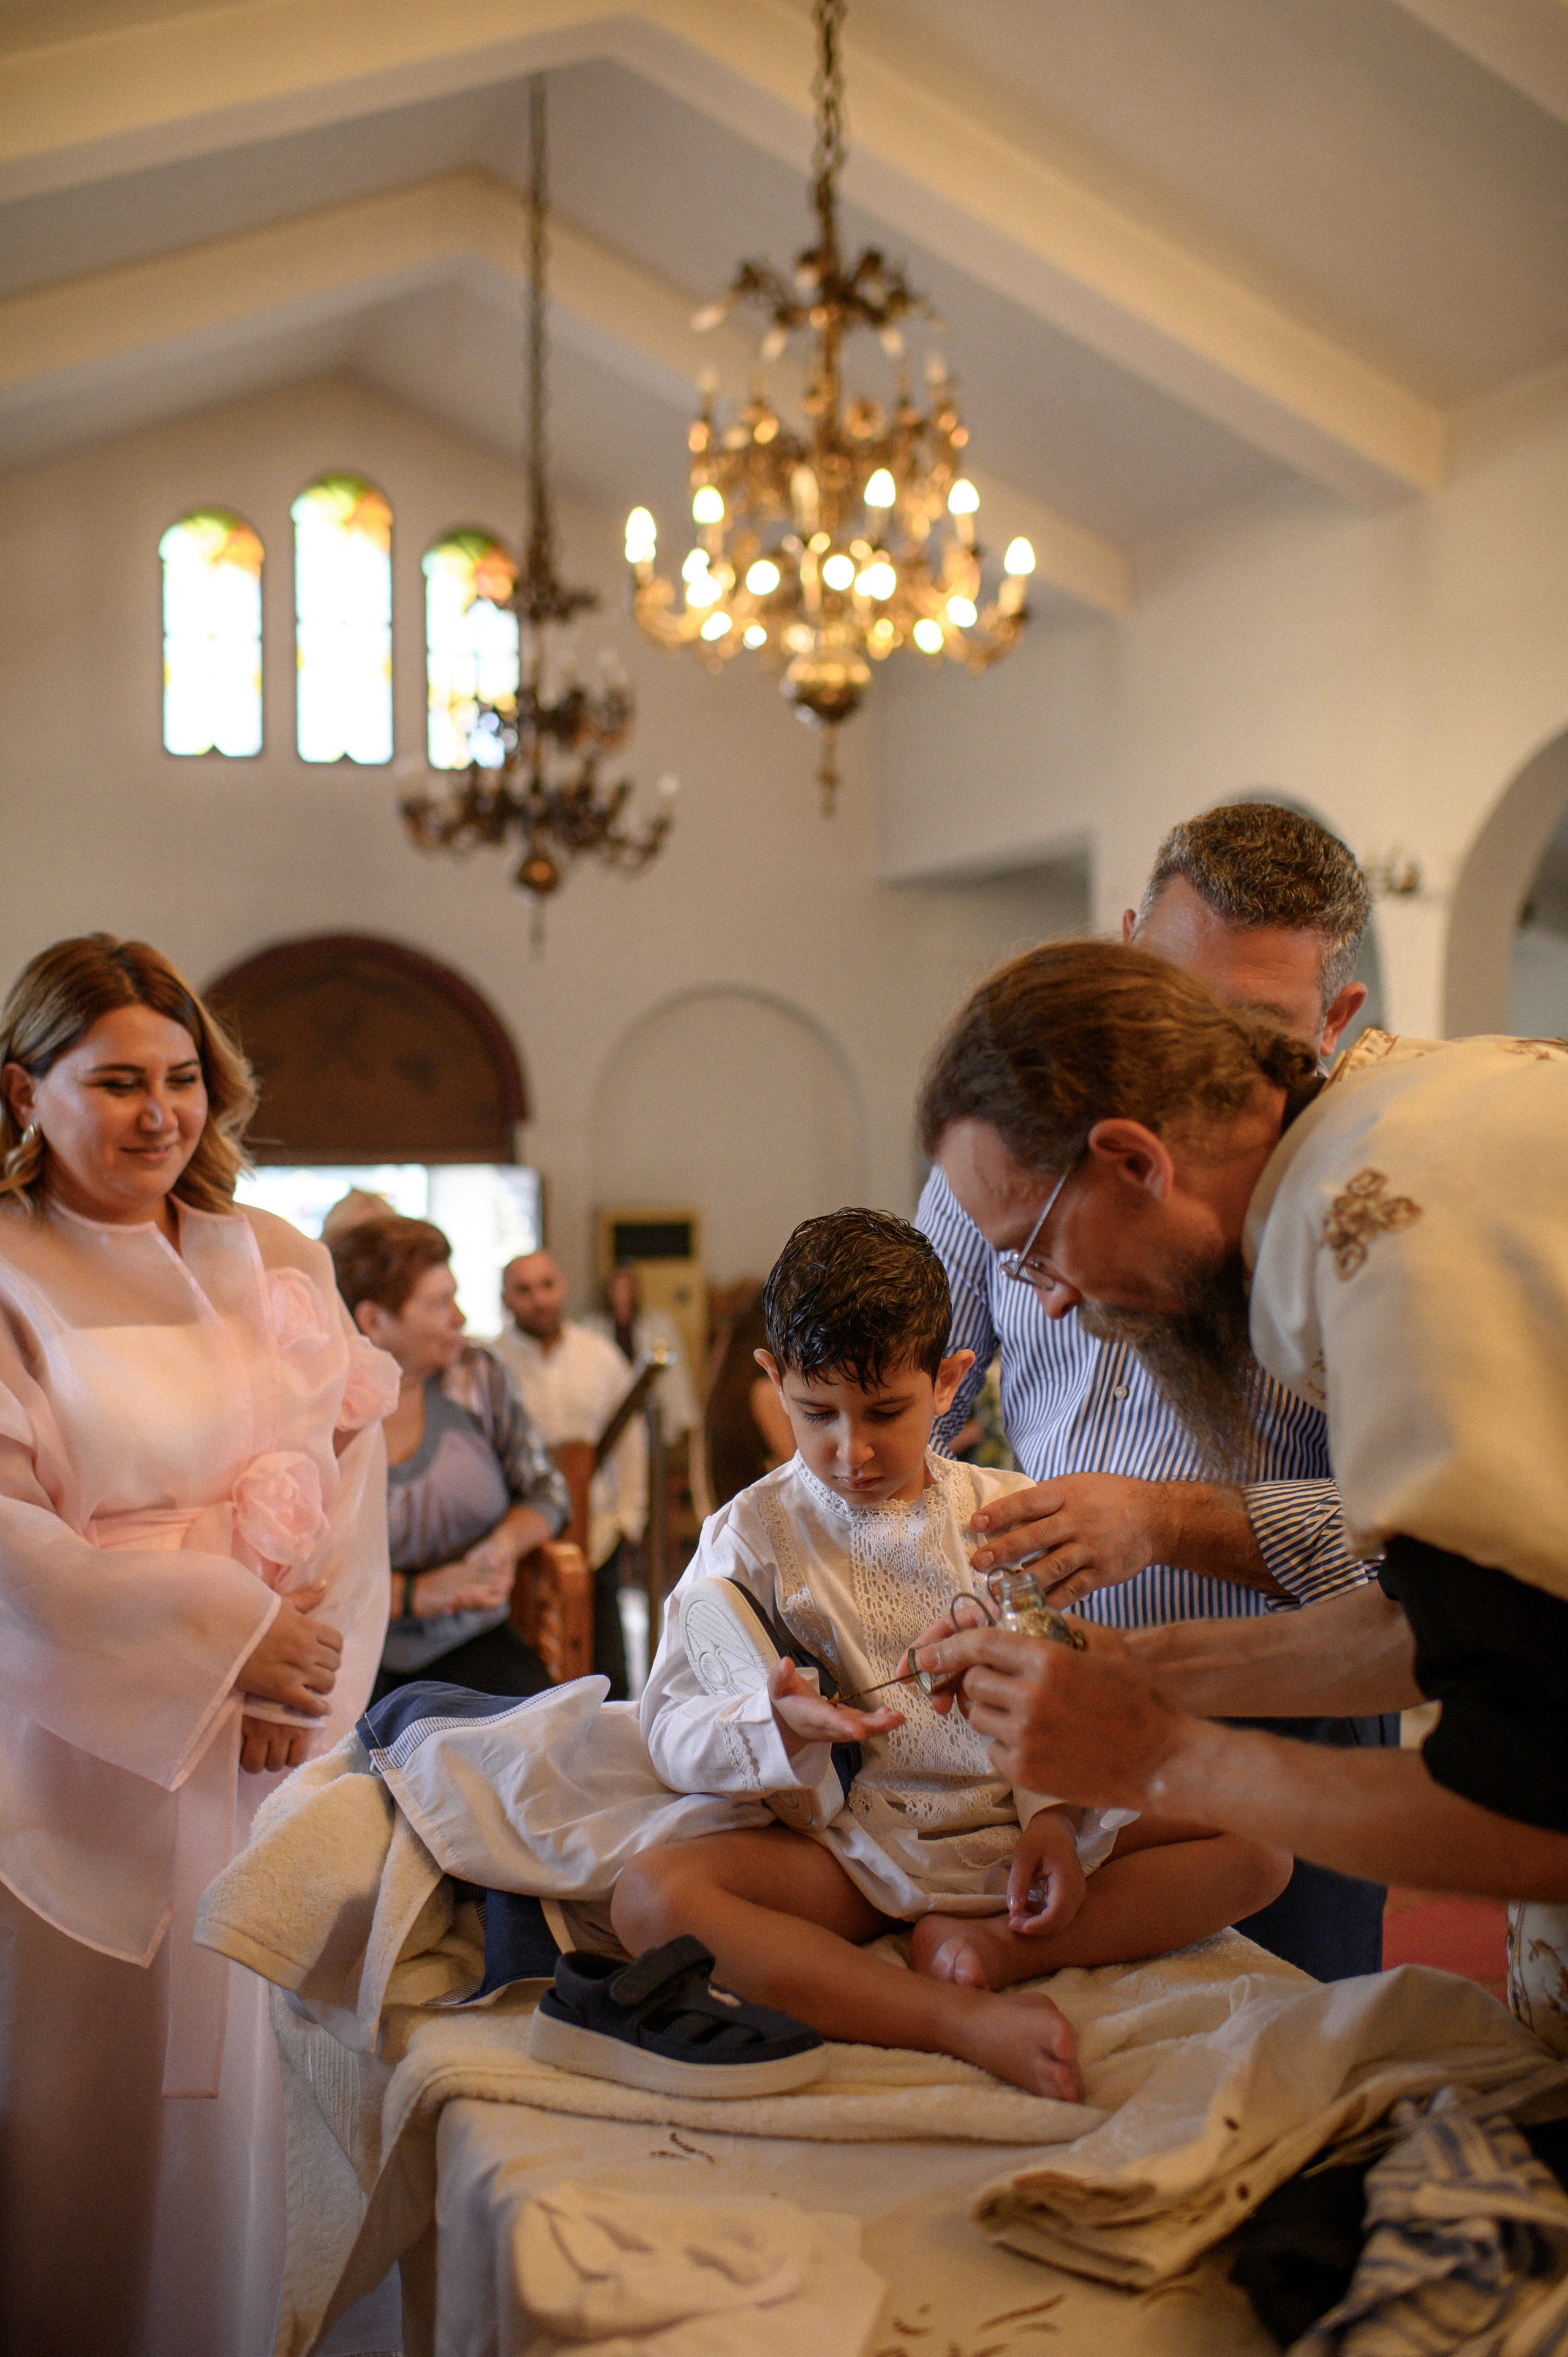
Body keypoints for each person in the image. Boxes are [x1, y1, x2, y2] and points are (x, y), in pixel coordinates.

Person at [910, 939, 1568, 2037]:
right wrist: (1137, 1669)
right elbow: (1446, 1628)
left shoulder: (1376, 1235)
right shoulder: (1396, 1111)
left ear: (1134, 1159)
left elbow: (1533, 1798)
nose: (1056, 1304)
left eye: (1035, 1253)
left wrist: (1160, 1756)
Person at [612, 1211, 1291, 2102]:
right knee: (653, 1897)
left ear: (948, 1381)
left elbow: (1062, 1692)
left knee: (1265, 1838)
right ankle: (954, 2019)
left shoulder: (1008, 1512)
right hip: (854, 1849)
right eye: (816, 1414)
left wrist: (1054, 1819)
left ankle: (989, 1950)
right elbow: (669, 1730)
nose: (850, 1452)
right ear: (772, 1379)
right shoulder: (747, 1535)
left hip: (1012, 1833)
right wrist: (770, 1725)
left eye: (884, 1413)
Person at [0, 933, 394, 2357]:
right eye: (115, 1081)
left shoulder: (269, 1255)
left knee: (251, 2097)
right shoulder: (7, 1270)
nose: (160, 1113)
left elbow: (349, 1477)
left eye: (181, 1077)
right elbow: (12, 1539)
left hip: (264, 1744)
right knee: (73, 2106)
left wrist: (304, 1671)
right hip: (74, 1753)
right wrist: (223, 1643)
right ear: (23, 1088)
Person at [918, 801, 1393, 1981]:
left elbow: (1420, 1579)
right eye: (1175, 1007)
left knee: (1293, 2057)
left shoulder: (1365, 1218)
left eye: (1250, 1030)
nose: (1198, 1069)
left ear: (1333, 1023)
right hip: (1063, 1690)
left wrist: (1164, 1518)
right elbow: (899, 1402)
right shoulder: (1014, 1142)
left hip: (1310, 1695)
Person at [331, 1214, 571, 1700]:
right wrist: (419, 1594)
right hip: (354, 1654)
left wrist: (499, 1548)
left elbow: (547, 1491)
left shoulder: (479, 1376)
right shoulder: (322, 1407)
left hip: (474, 1639)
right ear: (373, 1319)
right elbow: (305, 1572)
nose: (459, 1317)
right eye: (440, 1303)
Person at [494, 1249, 646, 1696]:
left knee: (607, 1659)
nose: (539, 1300)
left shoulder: (599, 1357)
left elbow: (631, 1443)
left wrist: (627, 1518)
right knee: (527, 1659)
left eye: (547, 1285)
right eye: (524, 1290)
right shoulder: (491, 1364)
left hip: (597, 1532)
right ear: (506, 1298)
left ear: (562, 1287)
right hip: (521, 1536)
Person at [589, 1264, 701, 1447]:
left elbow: (675, 1376)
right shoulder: (594, 1330)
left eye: (627, 1289)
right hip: (612, 1408)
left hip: (647, 1408)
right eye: (618, 1289)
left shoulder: (657, 1327)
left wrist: (685, 1416)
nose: (623, 1295)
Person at [703, 1291, 796, 1508]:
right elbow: (796, 1468)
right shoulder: (762, 1386)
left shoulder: (729, 1379)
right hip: (753, 1512)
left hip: (730, 1506)